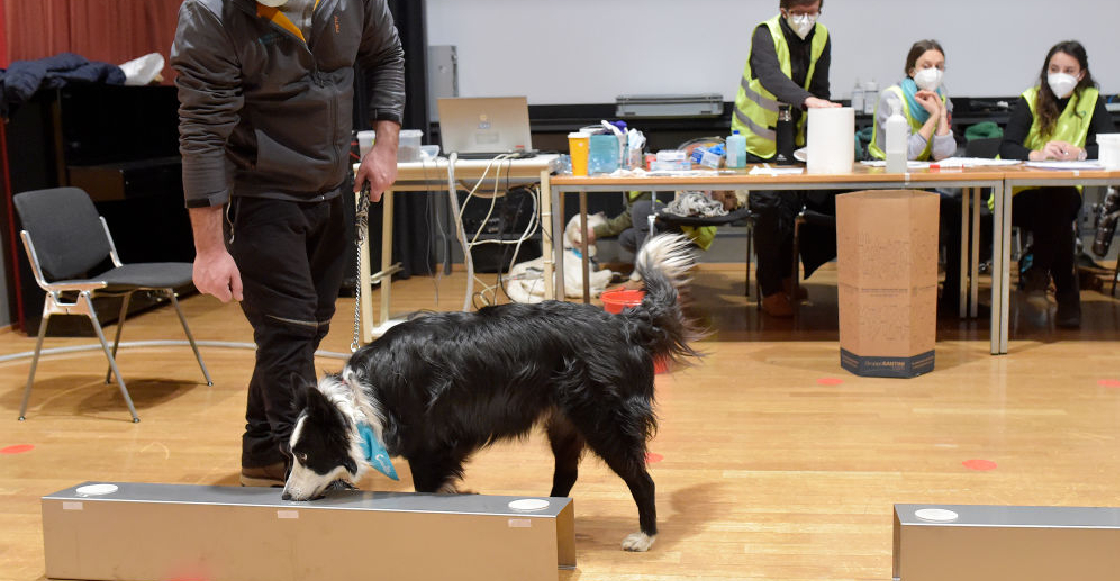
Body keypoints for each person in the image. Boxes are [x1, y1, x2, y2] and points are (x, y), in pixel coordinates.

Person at [171, 0, 406, 486]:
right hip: (263, 195)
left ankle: (260, 449)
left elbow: (386, 55)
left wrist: (385, 148)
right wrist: (210, 250)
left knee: (306, 328)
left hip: (332, 184)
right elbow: (202, 134)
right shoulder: (211, 14)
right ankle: (299, 463)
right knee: (289, 335)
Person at [732, 0, 841, 317]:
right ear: (784, 11)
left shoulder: (822, 37)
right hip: (756, 141)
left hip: (794, 141)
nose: (806, 18)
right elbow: (769, 77)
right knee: (767, 211)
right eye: (799, 12)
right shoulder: (764, 34)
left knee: (790, 209)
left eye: (812, 11)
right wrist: (809, 101)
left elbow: (821, 87)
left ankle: (784, 278)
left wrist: (823, 114)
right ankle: (771, 290)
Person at [999, 40, 1115, 329]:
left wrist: (1082, 153)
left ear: (1081, 74)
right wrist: (1035, 154)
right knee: (1060, 216)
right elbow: (1007, 146)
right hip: (1023, 195)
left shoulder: (1091, 100)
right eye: (1054, 69)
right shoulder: (1030, 99)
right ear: (1045, 71)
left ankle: (1039, 271)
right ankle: (1065, 299)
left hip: (1064, 193)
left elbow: (1112, 145)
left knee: (1060, 200)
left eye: (1068, 69)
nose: (1060, 75)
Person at [868, 40, 966, 316]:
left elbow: (943, 154)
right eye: (926, 66)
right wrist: (933, 118)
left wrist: (939, 114)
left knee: (959, 213)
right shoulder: (893, 98)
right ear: (912, 70)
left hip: (922, 184)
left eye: (939, 67)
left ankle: (953, 297)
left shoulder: (940, 98)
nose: (933, 72)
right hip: (886, 184)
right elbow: (906, 154)